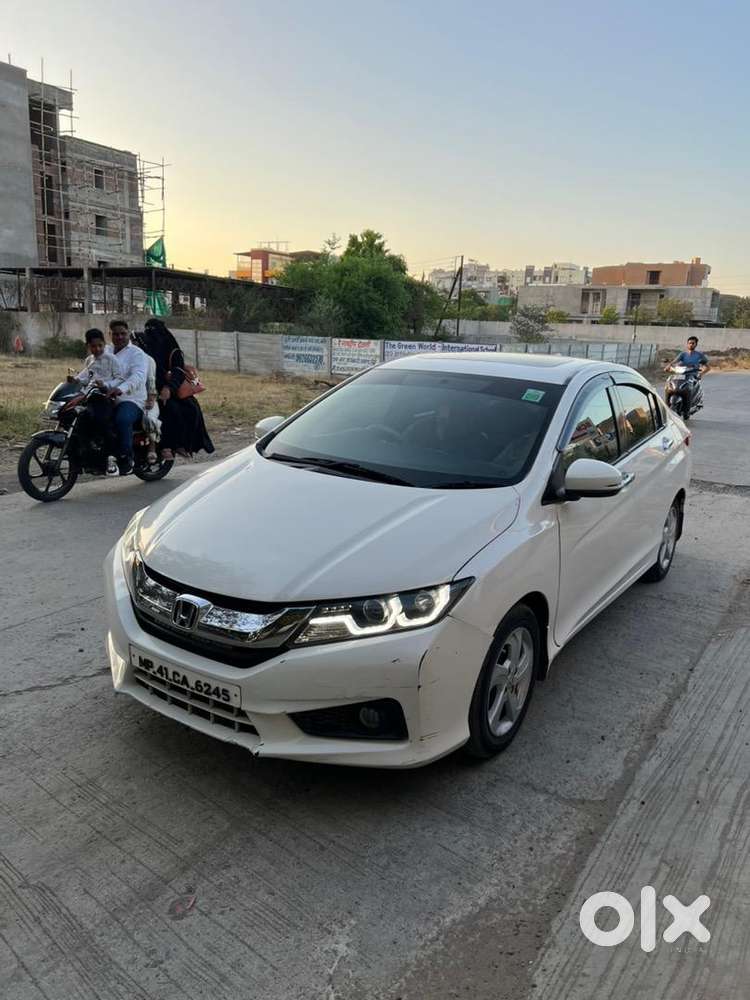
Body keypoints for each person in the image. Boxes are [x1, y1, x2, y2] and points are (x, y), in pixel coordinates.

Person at [139, 318, 214, 460]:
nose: (152, 334)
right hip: (145, 389)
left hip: (170, 390)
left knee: (189, 409)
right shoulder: (142, 347)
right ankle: (166, 445)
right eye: (148, 330)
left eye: (155, 330)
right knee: (166, 410)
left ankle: (179, 445)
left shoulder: (173, 349)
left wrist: (169, 388)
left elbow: (178, 370)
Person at [71, 327, 122, 476]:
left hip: (106, 398)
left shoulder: (111, 359)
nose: (97, 349)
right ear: (88, 346)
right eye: (93, 346)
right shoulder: (89, 360)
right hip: (89, 398)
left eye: (100, 345)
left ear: (104, 344)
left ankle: (111, 457)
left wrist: (106, 385)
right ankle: (87, 458)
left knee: (102, 423)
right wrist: (74, 380)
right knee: (80, 423)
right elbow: (85, 377)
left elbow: (119, 378)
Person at [107, 319, 149, 475]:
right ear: (109, 334)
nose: (119, 337)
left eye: (123, 334)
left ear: (128, 334)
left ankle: (126, 458)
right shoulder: (106, 350)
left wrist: (120, 389)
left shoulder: (137, 354)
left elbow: (138, 376)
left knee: (122, 419)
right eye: (115, 334)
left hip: (131, 399)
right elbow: (93, 369)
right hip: (107, 396)